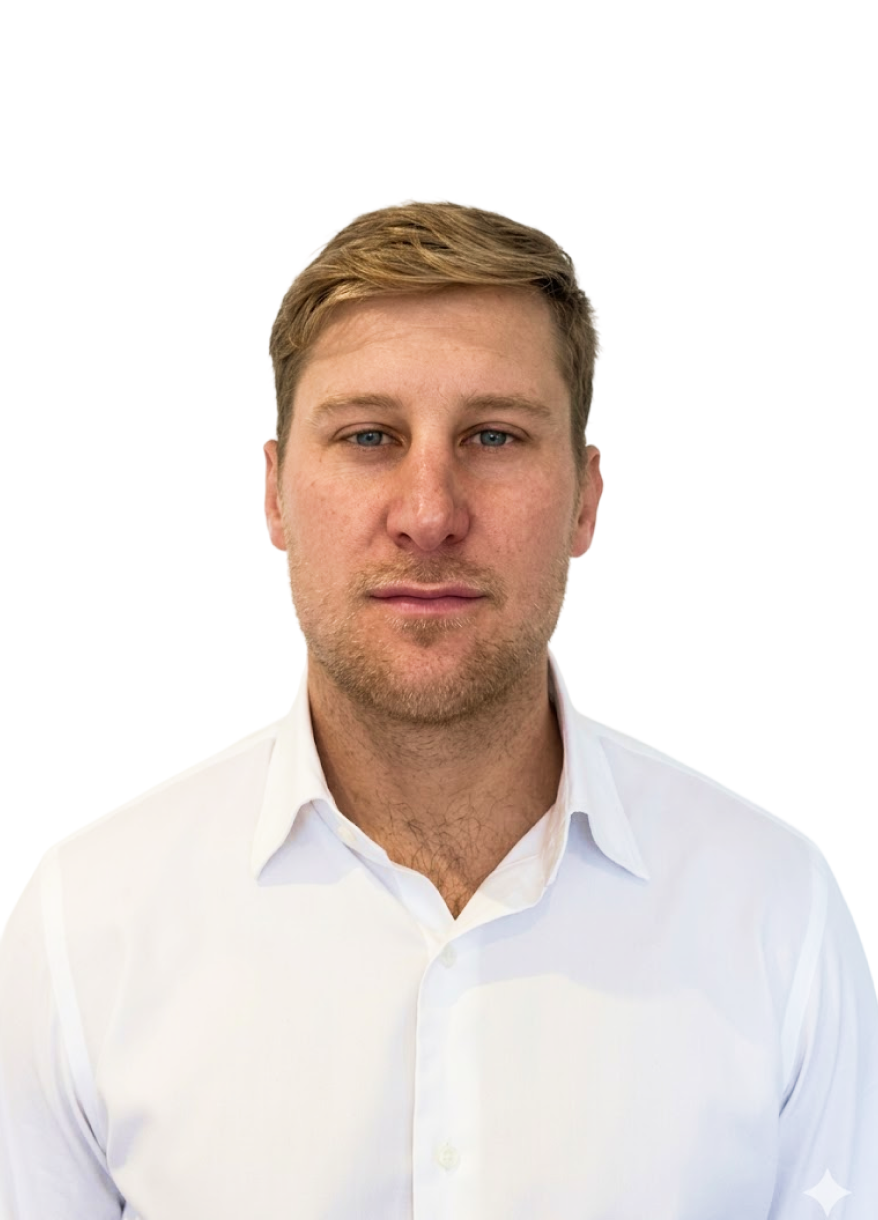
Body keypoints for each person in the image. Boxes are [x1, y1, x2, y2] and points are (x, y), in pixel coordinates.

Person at [0, 202, 876, 1219]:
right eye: (368, 435)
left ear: (584, 497)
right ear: (276, 494)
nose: (428, 513)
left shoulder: (773, 916)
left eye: (494, 436)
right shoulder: (90, 927)